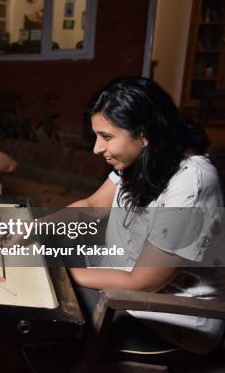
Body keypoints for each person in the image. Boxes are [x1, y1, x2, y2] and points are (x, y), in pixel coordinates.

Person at [68, 76, 225, 355]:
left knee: (49, 313)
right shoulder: (142, 157)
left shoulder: (192, 183)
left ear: (144, 133)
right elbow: (93, 205)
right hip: (122, 287)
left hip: (167, 319)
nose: (96, 148)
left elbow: (142, 283)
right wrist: (32, 227)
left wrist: (59, 272)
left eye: (106, 137)